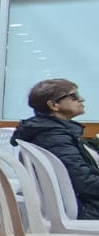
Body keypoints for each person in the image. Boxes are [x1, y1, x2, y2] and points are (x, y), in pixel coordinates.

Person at [12, 79, 99, 219]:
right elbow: (84, 182)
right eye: (74, 96)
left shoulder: (49, 131)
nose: (81, 99)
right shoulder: (53, 137)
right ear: (53, 105)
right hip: (87, 209)